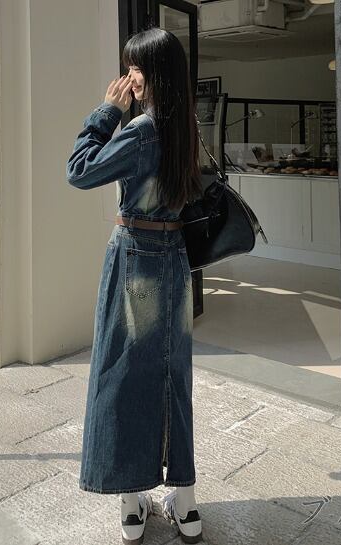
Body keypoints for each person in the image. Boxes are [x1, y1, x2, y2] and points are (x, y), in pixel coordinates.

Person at [66, 26, 204, 545]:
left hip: (135, 260)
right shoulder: (185, 126)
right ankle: (185, 503)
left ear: (156, 73)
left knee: (122, 374)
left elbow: (79, 170)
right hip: (175, 260)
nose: (129, 78)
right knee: (173, 374)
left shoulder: (142, 130)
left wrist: (106, 113)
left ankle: (131, 504)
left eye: (137, 67)